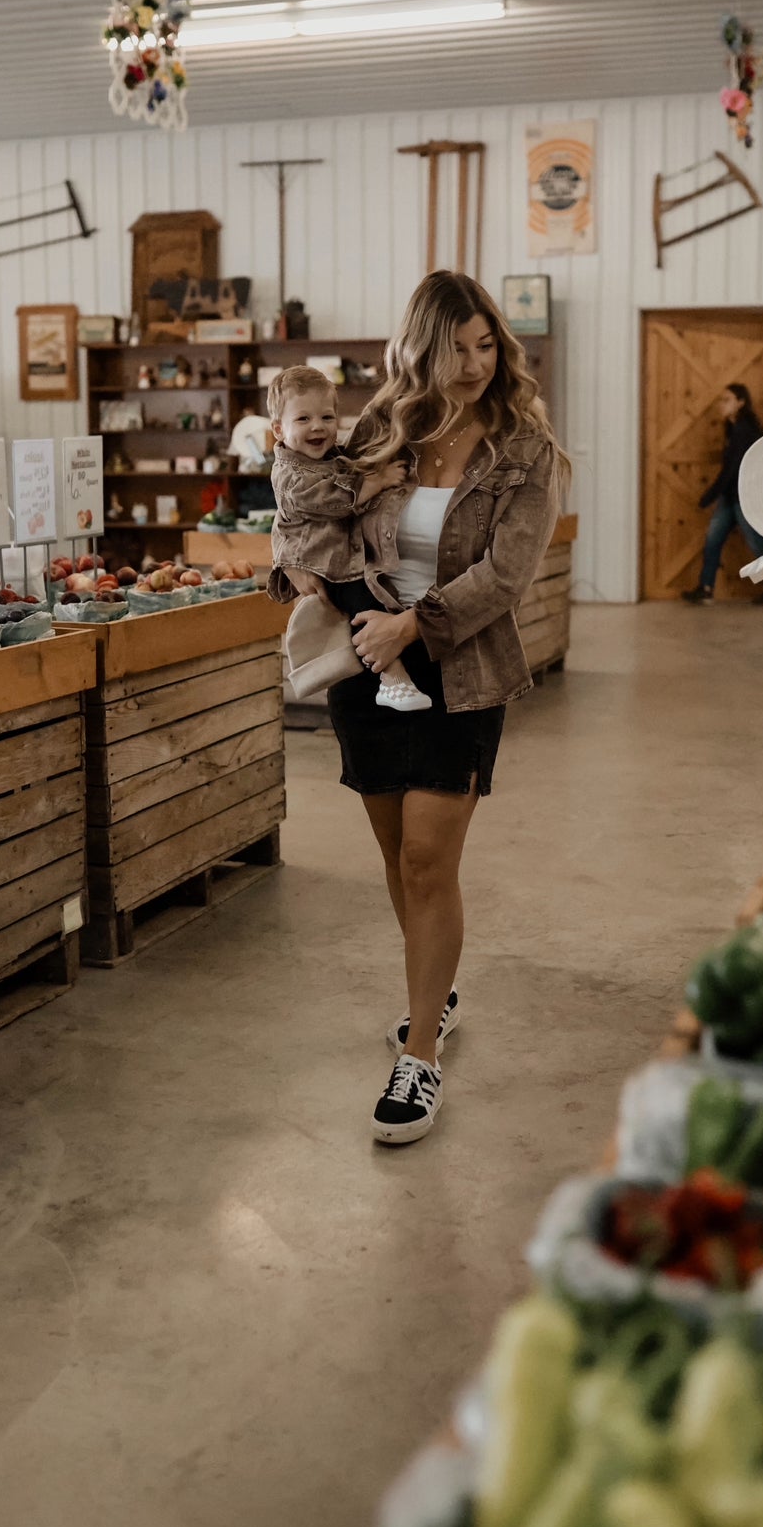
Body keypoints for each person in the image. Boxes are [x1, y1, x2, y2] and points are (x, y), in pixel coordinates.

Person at [269, 273, 568, 1145]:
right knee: (401, 862)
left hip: (458, 668)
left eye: (486, 346)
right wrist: (288, 562)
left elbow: (507, 576)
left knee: (432, 863)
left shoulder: (523, 448)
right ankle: (434, 990)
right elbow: (308, 504)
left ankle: (422, 1052)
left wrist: (414, 624)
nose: (474, 364)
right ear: (420, 348)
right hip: (365, 661)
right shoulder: (377, 432)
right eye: (456, 348)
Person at [268, 365, 427, 712]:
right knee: (363, 610)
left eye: (327, 416)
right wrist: (377, 481)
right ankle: (392, 678)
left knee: (368, 610)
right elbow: (330, 499)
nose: (318, 426)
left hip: (339, 559)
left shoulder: (331, 457)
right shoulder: (290, 473)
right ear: (279, 429)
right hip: (325, 565)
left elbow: (351, 467)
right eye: (303, 419)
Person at [682, 382, 763, 605]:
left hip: (744, 497)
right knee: (713, 540)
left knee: (756, 543)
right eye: (720, 400)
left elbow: (732, 469)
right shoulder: (734, 428)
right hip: (732, 496)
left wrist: (709, 496)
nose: (721, 405)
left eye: (727, 400)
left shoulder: (745, 430)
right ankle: (705, 587)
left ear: (741, 403)